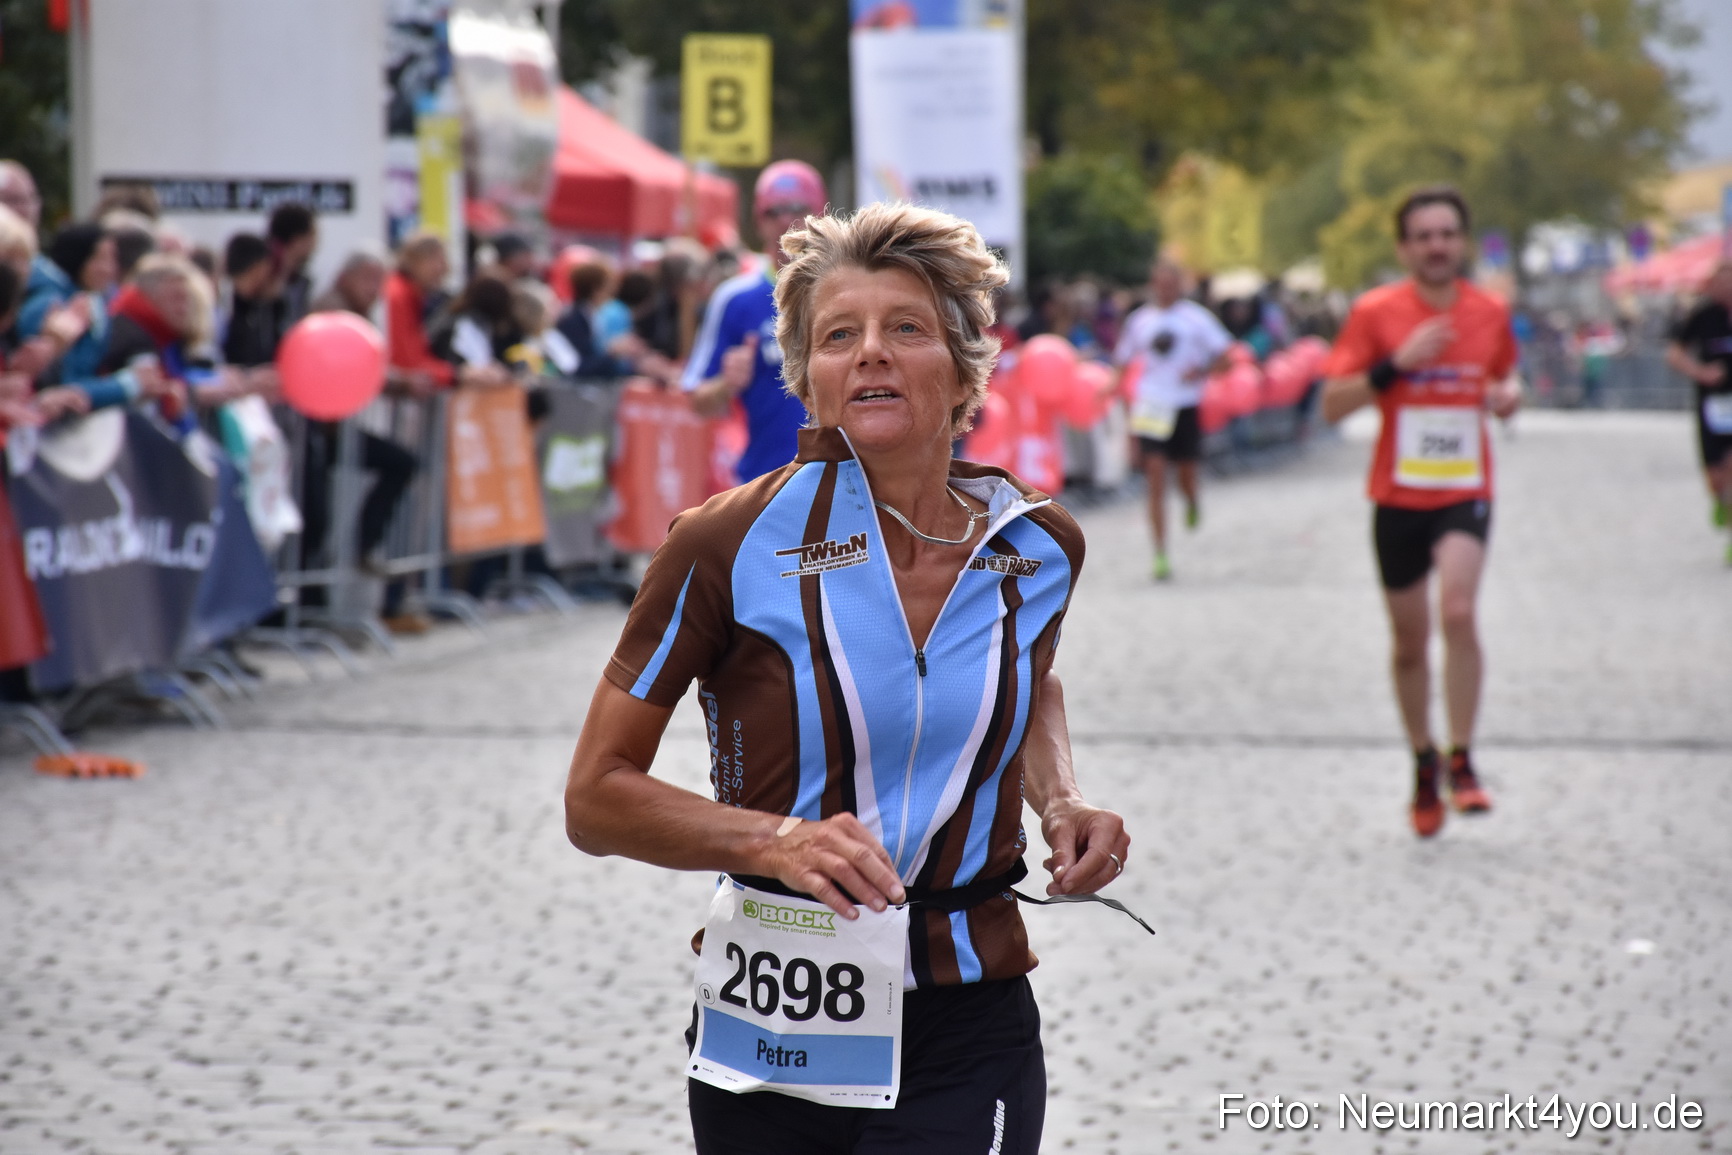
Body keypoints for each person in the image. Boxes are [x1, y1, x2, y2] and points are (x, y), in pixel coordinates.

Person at [564, 202, 1131, 1154]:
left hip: (968, 1010)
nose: (869, 352)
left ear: (962, 367)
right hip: (775, 1012)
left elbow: (1027, 681)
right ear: (809, 377)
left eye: (904, 328)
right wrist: (776, 840)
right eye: (839, 336)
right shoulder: (725, 542)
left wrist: (1062, 799)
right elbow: (594, 796)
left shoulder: (1037, 545)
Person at [1320, 185, 1521, 839]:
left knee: (1458, 611)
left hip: (1464, 487)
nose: (1437, 245)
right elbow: (1331, 406)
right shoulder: (1377, 312)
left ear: (1461, 241)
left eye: (1447, 233)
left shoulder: (1489, 311)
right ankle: (1423, 760)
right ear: (1405, 247)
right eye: (1424, 235)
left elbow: (1504, 376)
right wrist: (1394, 366)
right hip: (1398, 494)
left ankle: (1463, 759)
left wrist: (1506, 395)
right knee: (1410, 643)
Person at [684, 161, 830, 483]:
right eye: (771, 211)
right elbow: (698, 399)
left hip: (843, 482)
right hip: (764, 482)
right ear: (757, 221)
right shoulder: (736, 298)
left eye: (796, 208)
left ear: (820, 212)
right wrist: (727, 383)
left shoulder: (847, 290)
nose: (784, 219)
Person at [1111, 259, 1233, 580]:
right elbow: (1123, 361)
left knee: (1186, 475)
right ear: (1153, 284)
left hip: (1185, 405)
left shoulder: (1196, 319)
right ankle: (1160, 552)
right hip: (1152, 405)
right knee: (1154, 477)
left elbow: (1226, 360)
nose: (1165, 289)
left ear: (1180, 285)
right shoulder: (1140, 321)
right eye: (1160, 283)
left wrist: (1202, 371)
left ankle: (1192, 500)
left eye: (1171, 283)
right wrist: (1109, 388)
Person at [1664, 260, 1732, 564]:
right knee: (1716, 474)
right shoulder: (1703, 315)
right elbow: (1674, 354)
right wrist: (1700, 372)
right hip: (1713, 405)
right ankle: (1720, 500)